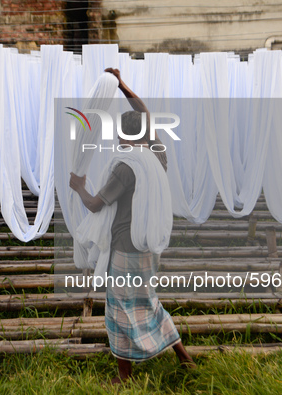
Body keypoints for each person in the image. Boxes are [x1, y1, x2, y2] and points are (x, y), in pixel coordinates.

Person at [69, 68, 195, 385]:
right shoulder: (157, 154)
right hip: (149, 247)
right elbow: (145, 114)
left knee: (120, 309)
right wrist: (122, 85)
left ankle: (123, 377)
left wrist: (78, 187)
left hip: (125, 248)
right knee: (149, 302)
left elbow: (97, 204)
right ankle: (185, 358)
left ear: (124, 135)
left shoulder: (126, 166)